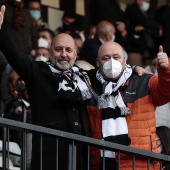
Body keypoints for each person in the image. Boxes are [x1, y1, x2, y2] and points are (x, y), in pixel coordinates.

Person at [0, 5, 152, 170]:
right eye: (58, 49)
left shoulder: (84, 76)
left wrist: (133, 68)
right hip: (49, 158)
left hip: (80, 159)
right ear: (50, 52)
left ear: (76, 54)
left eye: (68, 50)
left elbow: (111, 68)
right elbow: (16, 57)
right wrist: (1, 32)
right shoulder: (38, 72)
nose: (64, 54)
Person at [87, 41, 170, 170]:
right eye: (106, 58)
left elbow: (166, 92)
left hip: (141, 164)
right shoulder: (88, 87)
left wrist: (165, 70)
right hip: (102, 165)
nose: (112, 62)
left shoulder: (143, 80)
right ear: (98, 62)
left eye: (116, 57)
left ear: (124, 60)